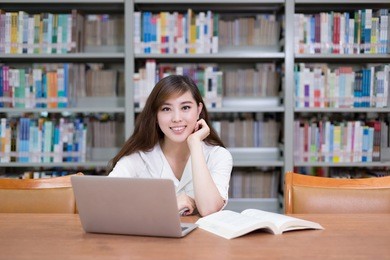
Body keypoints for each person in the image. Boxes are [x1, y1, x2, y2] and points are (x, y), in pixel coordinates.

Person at [107, 75, 232, 217]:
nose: (177, 118)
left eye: (185, 107)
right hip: (150, 238)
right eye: (166, 109)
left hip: (199, 239)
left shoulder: (218, 156)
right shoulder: (138, 158)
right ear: (156, 115)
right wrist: (172, 204)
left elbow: (209, 210)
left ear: (198, 110)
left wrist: (195, 144)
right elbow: (106, 203)